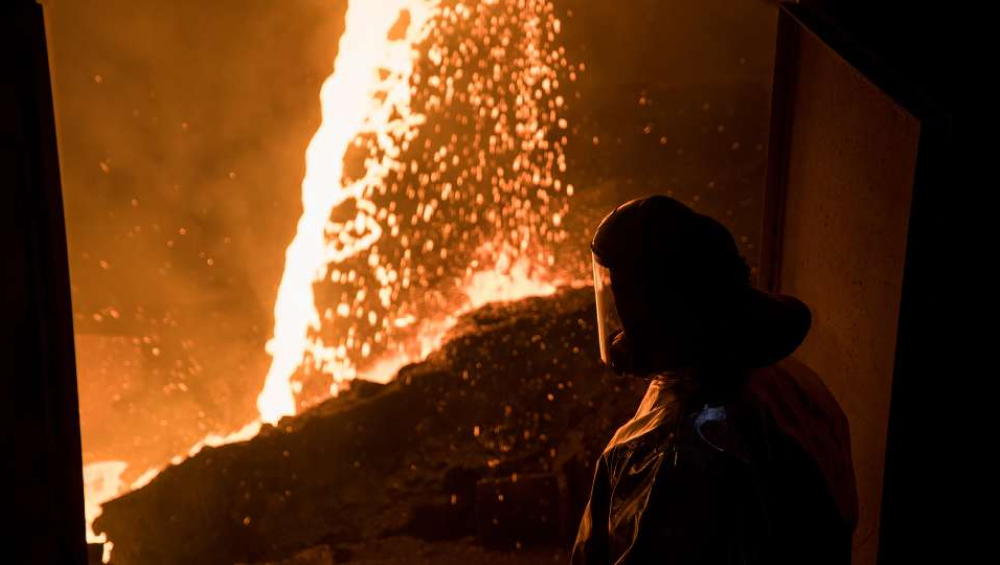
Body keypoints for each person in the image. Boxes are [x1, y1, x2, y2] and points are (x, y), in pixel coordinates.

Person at [572, 196, 858, 564]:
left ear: (656, 307)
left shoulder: (673, 453)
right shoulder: (790, 383)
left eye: (623, 295)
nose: (621, 325)